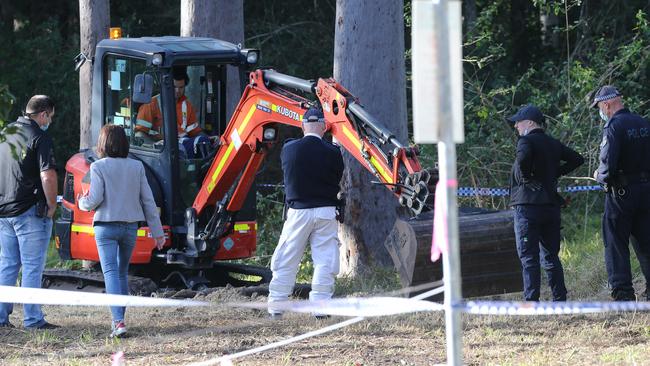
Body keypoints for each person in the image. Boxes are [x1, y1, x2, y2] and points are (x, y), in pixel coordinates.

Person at [78, 124, 165, 337]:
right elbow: (148, 201)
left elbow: (94, 199)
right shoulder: (137, 167)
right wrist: (158, 232)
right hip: (129, 228)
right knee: (121, 273)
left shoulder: (98, 167)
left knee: (110, 273)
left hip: (105, 227)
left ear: (103, 144)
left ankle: (118, 322)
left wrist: (82, 203)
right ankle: (119, 321)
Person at [267, 106, 344, 319]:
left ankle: (276, 307)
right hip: (326, 211)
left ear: (302, 126)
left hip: (298, 212)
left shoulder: (289, 149)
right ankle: (320, 308)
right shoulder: (333, 152)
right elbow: (338, 174)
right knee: (325, 260)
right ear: (324, 127)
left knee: (286, 259)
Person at [507, 104, 584, 302]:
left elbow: (523, 157)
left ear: (530, 122)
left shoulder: (525, 141)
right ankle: (560, 300)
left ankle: (531, 302)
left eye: (518, 122)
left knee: (529, 258)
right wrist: (554, 173)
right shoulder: (553, 143)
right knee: (551, 256)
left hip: (527, 208)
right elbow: (577, 159)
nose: (516, 125)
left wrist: (525, 178)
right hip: (550, 206)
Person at [0, 95, 58, 329]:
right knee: (33, 266)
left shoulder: (5, 135)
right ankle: (33, 319)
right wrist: (52, 204)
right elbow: (48, 175)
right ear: (43, 114)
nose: (50, 121)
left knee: (7, 265)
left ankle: (1, 317)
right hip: (30, 211)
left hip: (5, 210)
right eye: (50, 117)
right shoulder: (40, 137)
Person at [592, 85, 650, 301]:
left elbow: (607, 166)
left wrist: (599, 175)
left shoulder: (613, 127)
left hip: (622, 193)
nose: (601, 111)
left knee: (615, 242)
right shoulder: (643, 122)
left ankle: (623, 292)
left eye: (599, 107)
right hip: (646, 191)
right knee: (646, 242)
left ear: (607, 104)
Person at [135, 67, 210, 158]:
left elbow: (195, 132)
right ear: (166, 85)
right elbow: (139, 134)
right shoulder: (150, 105)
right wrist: (155, 148)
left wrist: (209, 140)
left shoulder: (187, 105)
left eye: (181, 87)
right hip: (161, 152)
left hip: (182, 150)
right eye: (174, 87)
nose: (178, 91)